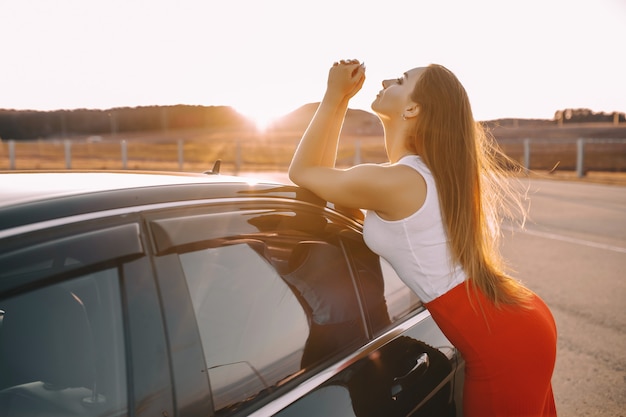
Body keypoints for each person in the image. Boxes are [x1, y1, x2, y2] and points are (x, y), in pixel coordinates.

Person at [288, 59, 557, 417]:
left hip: (503, 341)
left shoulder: (399, 181)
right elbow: (318, 176)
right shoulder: (412, 176)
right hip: (516, 322)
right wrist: (338, 100)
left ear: (413, 108)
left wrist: (334, 94)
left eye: (400, 79)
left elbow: (303, 172)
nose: (385, 80)